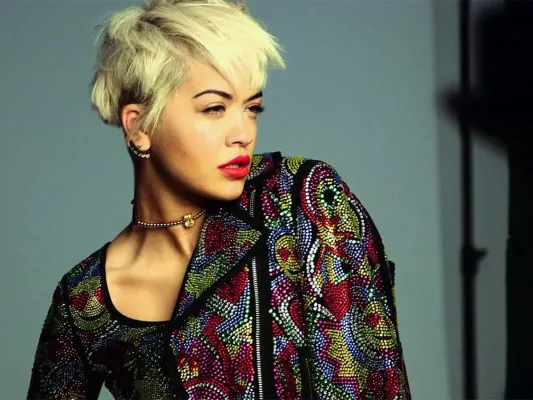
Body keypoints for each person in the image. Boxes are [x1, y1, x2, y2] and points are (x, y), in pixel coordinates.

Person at [27, 0, 410, 399]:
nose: (243, 133)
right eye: (214, 108)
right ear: (139, 127)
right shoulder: (85, 300)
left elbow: (372, 380)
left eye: (252, 108)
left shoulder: (302, 200)